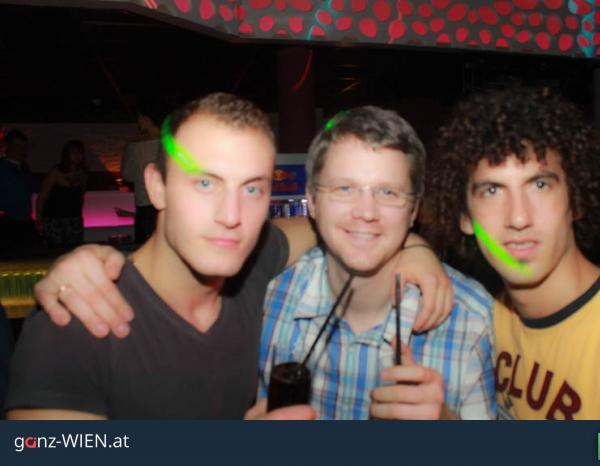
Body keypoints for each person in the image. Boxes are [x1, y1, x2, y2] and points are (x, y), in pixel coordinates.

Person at [6, 93, 451, 420]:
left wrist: (415, 246)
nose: (232, 216)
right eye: (205, 183)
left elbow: (344, 227)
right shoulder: (76, 319)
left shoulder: (253, 267)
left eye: (252, 188)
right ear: (157, 186)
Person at [427, 86, 600, 419]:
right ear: (465, 218)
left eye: (540, 185)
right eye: (493, 190)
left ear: (576, 201)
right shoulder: (489, 318)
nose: (518, 217)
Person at [257, 107, 495, 420]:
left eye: (388, 192)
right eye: (344, 188)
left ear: (413, 211)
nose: (366, 212)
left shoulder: (470, 319)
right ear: (312, 200)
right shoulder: (268, 296)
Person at [36, 140, 88, 245]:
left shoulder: (83, 173)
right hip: (54, 219)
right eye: (73, 152)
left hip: (74, 219)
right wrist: (39, 220)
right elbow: (42, 197)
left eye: (79, 152)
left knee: (73, 250)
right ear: (67, 154)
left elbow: (81, 197)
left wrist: (79, 217)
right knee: (55, 250)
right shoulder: (56, 171)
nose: (77, 155)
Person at [122, 112, 161, 243]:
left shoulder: (135, 147)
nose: (138, 122)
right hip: (168, 200)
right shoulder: (173, 142)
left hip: (145, 200)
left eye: (140, 118)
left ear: (147, 119)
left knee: (145, 244)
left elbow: (127, 175)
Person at [0, 129, 36, 251]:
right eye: (17, 145)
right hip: (6, 221)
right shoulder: (2, 167)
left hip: (23, 220)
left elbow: (33, 189)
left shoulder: (24, 168)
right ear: (7, 146)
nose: (20, 149)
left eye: (23, 146)